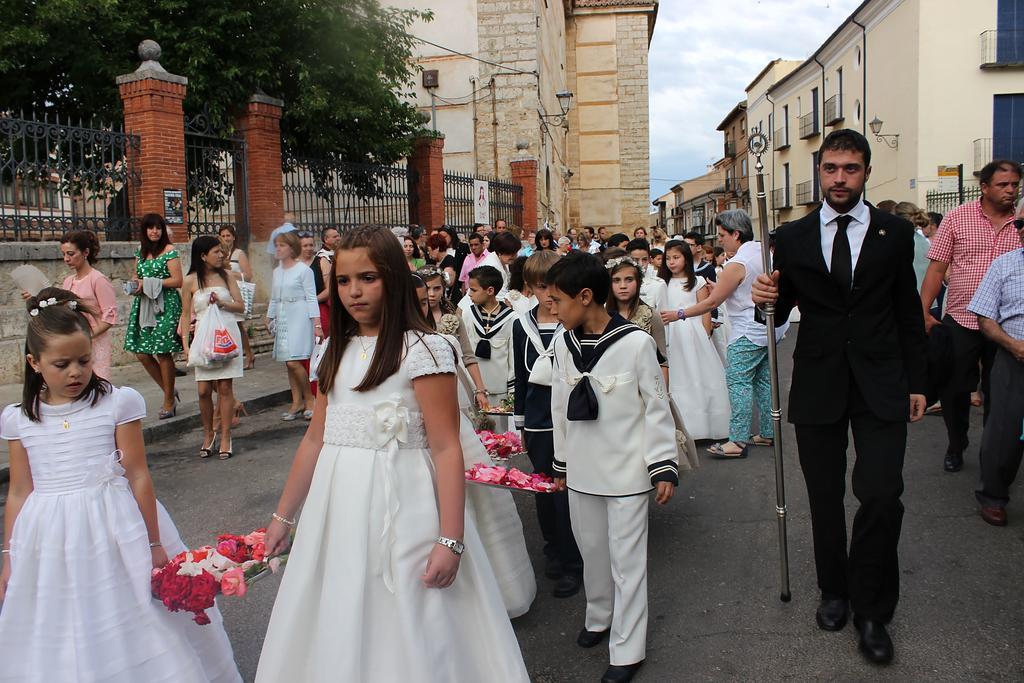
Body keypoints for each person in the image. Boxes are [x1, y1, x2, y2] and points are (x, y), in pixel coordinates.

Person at [256, 226, 529, 682]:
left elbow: (445, 449)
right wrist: (283, 517)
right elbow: (314, 440)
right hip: (337, 505)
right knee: (340, 603)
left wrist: (450, 538)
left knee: (415, 611)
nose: (354, 292)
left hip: (405, 505)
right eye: (343, 281)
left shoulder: (425, 350)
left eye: (368, 278)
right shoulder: (333, 350)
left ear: (393, 279)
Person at [0, 288, 241, 682]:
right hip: (49, 534)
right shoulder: (19, 419)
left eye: (83, 360)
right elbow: (19, 491)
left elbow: (138, 474)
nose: (76, 372)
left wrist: (153, 542)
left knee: (136, 611)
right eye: (62, 364)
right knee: (63, 616)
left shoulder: (116, 402)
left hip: (115, 524)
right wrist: (10, 556)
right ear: (34, 362)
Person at [752, 129, 927, 665]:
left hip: (882, 380)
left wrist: (919, 380)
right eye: (831, 168)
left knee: (880, 493)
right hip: (820, 380)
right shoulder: (794, 237)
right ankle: (835, 589)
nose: (840, 178)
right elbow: (779, 316)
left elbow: (906, 311)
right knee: (824, 495)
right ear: (819, 172)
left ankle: (872, 608)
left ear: (866, 172)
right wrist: (768, 300)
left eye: (850, 169)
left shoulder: (894, 233)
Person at [547, 252, 678, 683]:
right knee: (593, 553)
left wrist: (661, 466)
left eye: (558, 301)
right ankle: (599, 616)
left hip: (626, 471)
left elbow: (656, 409)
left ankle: (628, 648)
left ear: (585, 297)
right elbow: (560, 406)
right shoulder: (563, 343)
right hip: (583, 469)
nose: (552, 308)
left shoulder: (635, 342)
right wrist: (561, 461)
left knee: (627, 563)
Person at [413, 273, 537, 617]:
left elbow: (467, 359)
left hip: (454, 408)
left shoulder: (449, 325)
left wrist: (480, 391)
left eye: (429, 296)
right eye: (419, 297)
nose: (426, 302)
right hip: (414, 433)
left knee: (474, 497)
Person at [920, 160, 1022, 473]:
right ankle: (957, 441)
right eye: (1003, 184)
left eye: (1014, 184)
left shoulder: (1020, 222)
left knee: (999, 392)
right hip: (961, 318)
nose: (1010, 190)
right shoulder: (957, 217)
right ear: (984, 187)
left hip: (1005, 326)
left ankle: (994, 454)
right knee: (953, 389)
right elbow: (937, 267)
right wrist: (922, 311)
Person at [671, 210, 787, 458]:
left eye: (723, 235)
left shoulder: (737, 263)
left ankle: (737, 441)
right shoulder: (762, 252)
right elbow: (741, 288)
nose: (719, 239)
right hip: (767, 328)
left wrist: (680, 313)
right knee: (763, 382)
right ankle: (768, 432)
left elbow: (711, 303)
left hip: (746, 330)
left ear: (736, 233)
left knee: (738, 384)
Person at [510, 251, 584, 599]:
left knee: (566, 490)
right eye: (541, 288)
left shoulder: (573, 320)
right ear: (530, 288)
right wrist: (520, 421)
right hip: (538, 420)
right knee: (542, 488)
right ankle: (553, 548)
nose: (548, 296)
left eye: (553, 287)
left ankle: (574, 561)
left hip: (570, 417)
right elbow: (520, 376)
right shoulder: (520, 324)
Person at [967, 215, 1024, 526]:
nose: (1022, 230)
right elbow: (985, 318)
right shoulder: (1004, 265)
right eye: (1020, 223)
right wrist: (1012, 344)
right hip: (1013, 358)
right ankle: (994, 497)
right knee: (1004, 433)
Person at [179, 236, 246, 460]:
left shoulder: (227, 276)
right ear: (203, 255)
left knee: (225, 388)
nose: (221, 255)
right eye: (216, 252)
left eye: (221, 251)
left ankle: (225, 435)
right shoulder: (189, 281)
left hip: (226, 335)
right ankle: (208, 433)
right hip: (202, 339)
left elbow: (241, 306)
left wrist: (222, 302)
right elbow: (185, 314)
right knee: (203, 390)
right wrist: (185, 345)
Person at [658, 240, 730, 440]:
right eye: (668, 258)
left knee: (698, 372)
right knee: (678, 375)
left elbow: (705, 307)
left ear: (686, 258)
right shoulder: (662, 283)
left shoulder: (697, 281)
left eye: (676, 257)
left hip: (693, 333)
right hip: (671, 333)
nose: (672, 262)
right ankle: (683, 424)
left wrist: (706, 332)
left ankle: (707, 423)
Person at [123, 213, 182, 419]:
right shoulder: (140, 252)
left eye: (158, 227)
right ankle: (169, 390)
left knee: (163, 352)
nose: (154, 231)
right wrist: (134, 285)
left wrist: (150, 282)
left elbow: (177, 281)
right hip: (145, 303)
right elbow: (135, 276)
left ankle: (168, 400)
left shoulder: (170, 251)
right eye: (150, 228)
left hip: (166, 305)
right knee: (142, 353)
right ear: (145, 231)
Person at [267, 231, 322, 421]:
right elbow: (274, 297)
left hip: (300, 315)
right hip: (283, 316)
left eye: (282, 245)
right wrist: (269, 317)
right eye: (277, 245)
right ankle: (296, 401)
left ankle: (310, 399)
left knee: (295, 360)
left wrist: (317, 322)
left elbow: (311, 297)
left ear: (291, 248)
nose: (278, 249)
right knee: (288, 363)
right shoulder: (277, 271)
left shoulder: (304, 271)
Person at [418, 268, 489, 411]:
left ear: (443, 288)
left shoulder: (454, 320)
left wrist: (480, 389)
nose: (431, 294)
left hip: (454, 380)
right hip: (421, 380)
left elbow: (468, 356)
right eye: (427, 288)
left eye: (436, 288)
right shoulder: (411, 320)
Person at [59, 230, 118, 379]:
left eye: (71, 254)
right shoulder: (68, 281)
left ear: (85, 252)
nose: (66, 259)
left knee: (97, 385)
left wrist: (88, 336)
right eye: (64, 254)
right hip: (74, 341)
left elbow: (109, 318)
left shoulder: (98, 280)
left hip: (95, 342)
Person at [606, 253, 668, 383]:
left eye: (629, 279)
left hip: (643, 382)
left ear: (638, 282)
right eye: (616, 280)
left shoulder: (651, 316)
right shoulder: (602, 315)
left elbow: (662, 362)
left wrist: (663, 397)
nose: (623, 286)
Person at [462, 265, 516, 403]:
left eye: (473, 290)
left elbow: (513, 357)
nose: (469, 294)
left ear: (490, 290)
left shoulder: (512, 318)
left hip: (500, 392)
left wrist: (511, 392)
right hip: (473, 388)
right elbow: (464, 352)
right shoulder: (468, 314)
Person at [218, 225, 256, 369]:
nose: (226, 238)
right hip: (224, 292)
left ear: (233, 237)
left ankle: (248, 355)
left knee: (239, 325)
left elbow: (248, 275)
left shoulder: (238, 254)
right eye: (223, 235)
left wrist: (228, 273)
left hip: (236, 292)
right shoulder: (219, 253)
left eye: (228, 235)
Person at [313, 227, 342, 336]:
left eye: (338, 235)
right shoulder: (322, 258)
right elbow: (326, 286)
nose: (338, 238)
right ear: (326, 239)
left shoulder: (338, 253)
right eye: (335, 236)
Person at [626, 238, 666, 310]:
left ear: (649, 260)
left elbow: (662, 316)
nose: (641, 264)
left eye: (644, 259)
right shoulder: (619, 283)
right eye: (635, 260)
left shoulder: (658, 285)